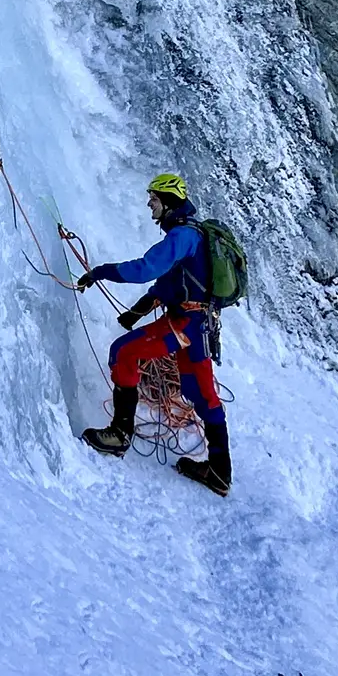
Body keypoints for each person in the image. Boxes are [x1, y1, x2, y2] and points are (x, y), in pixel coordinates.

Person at [75, 172, 232, 495]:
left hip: (185, 324)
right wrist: (136, 312)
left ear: (169, 203)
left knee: (124, 353)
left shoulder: (181, 237)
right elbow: (170, 283)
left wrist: (101, 272)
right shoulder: (192, 235)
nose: (149, 204)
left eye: (155, 199)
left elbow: (147, 269)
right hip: (199, 325)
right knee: (200, 393)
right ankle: (219, 471)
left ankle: (119, 435)